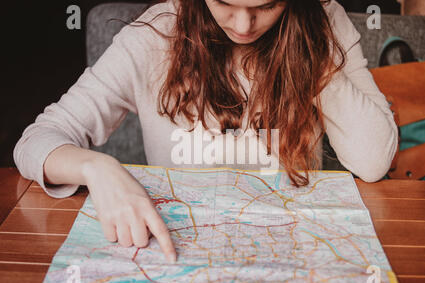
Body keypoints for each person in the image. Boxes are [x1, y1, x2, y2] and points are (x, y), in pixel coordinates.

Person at [13, 0, 398, 261]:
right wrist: (98, 168)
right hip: (177, 253)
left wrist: (307, 38)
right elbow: (37, 140)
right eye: (225, 4)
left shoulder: (321, 20)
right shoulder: (154, 36)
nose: (245, 25)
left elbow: (373, 159)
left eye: (267, 6)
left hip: (290, 251)